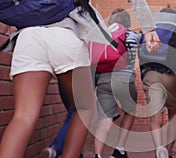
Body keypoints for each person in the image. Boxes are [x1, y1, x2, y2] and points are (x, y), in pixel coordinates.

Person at [0, 0, 160, 157]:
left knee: (23, 116)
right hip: (67, 32)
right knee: (83, 109)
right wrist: (148, 28)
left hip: (28, 36)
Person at [92, 8, 138, 158]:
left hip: (103, 79)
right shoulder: (131, 35)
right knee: (130, 111)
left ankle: (97, 155)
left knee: (105, 119)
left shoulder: (102, 34)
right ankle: (119, 150)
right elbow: (132, 59)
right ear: (127, 21)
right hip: (125, 78)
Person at [141, 8, 176, 158]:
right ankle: (169, 152)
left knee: (155, 117)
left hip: (151, 74)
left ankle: (159, 148)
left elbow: (140, 50)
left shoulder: (151, 25)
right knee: (173, 114)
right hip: (172, 75)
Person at [41, 85, 84, 158]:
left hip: (63, 82)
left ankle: (78, 155)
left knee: (75, 117)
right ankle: (55, 148)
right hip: (82, 82)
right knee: (76, 116)